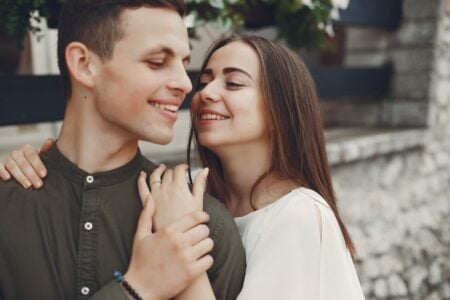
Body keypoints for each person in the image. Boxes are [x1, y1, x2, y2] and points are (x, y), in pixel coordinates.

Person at [2, 35, 366, 299]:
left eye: (233, 83)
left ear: (280, 111)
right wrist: (42, 162)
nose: (205, 92)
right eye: (205, 80)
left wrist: (182, 247)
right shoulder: (187, 190)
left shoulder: (299, 216)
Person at [0, 1, 246, 299]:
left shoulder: (205, 226)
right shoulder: (7, 203)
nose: (185, 83)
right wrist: (136, 288)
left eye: (184, 63)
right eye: (157, 62)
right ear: (83, 64)